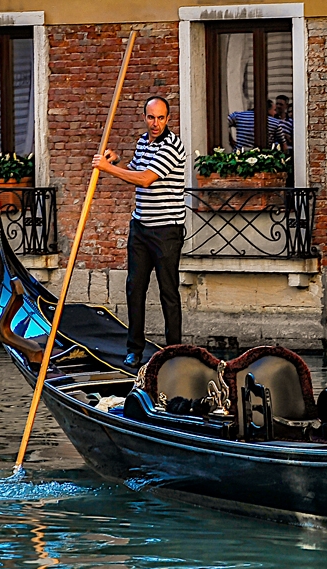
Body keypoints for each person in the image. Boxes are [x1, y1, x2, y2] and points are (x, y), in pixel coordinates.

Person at [92, 96, 187, 368]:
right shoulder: (143, 142)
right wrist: (117, 160)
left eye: (160, 118)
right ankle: (134, 349)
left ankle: (174, 354)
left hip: (166, 229)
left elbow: (146, 179)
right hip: (141, 228)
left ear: (168, 119)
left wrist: (107, 168)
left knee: (169, 292)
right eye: (150, 117)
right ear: (144, 117)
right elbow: (137, 169)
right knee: (135, 288)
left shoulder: (173, 146)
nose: (155, 123)